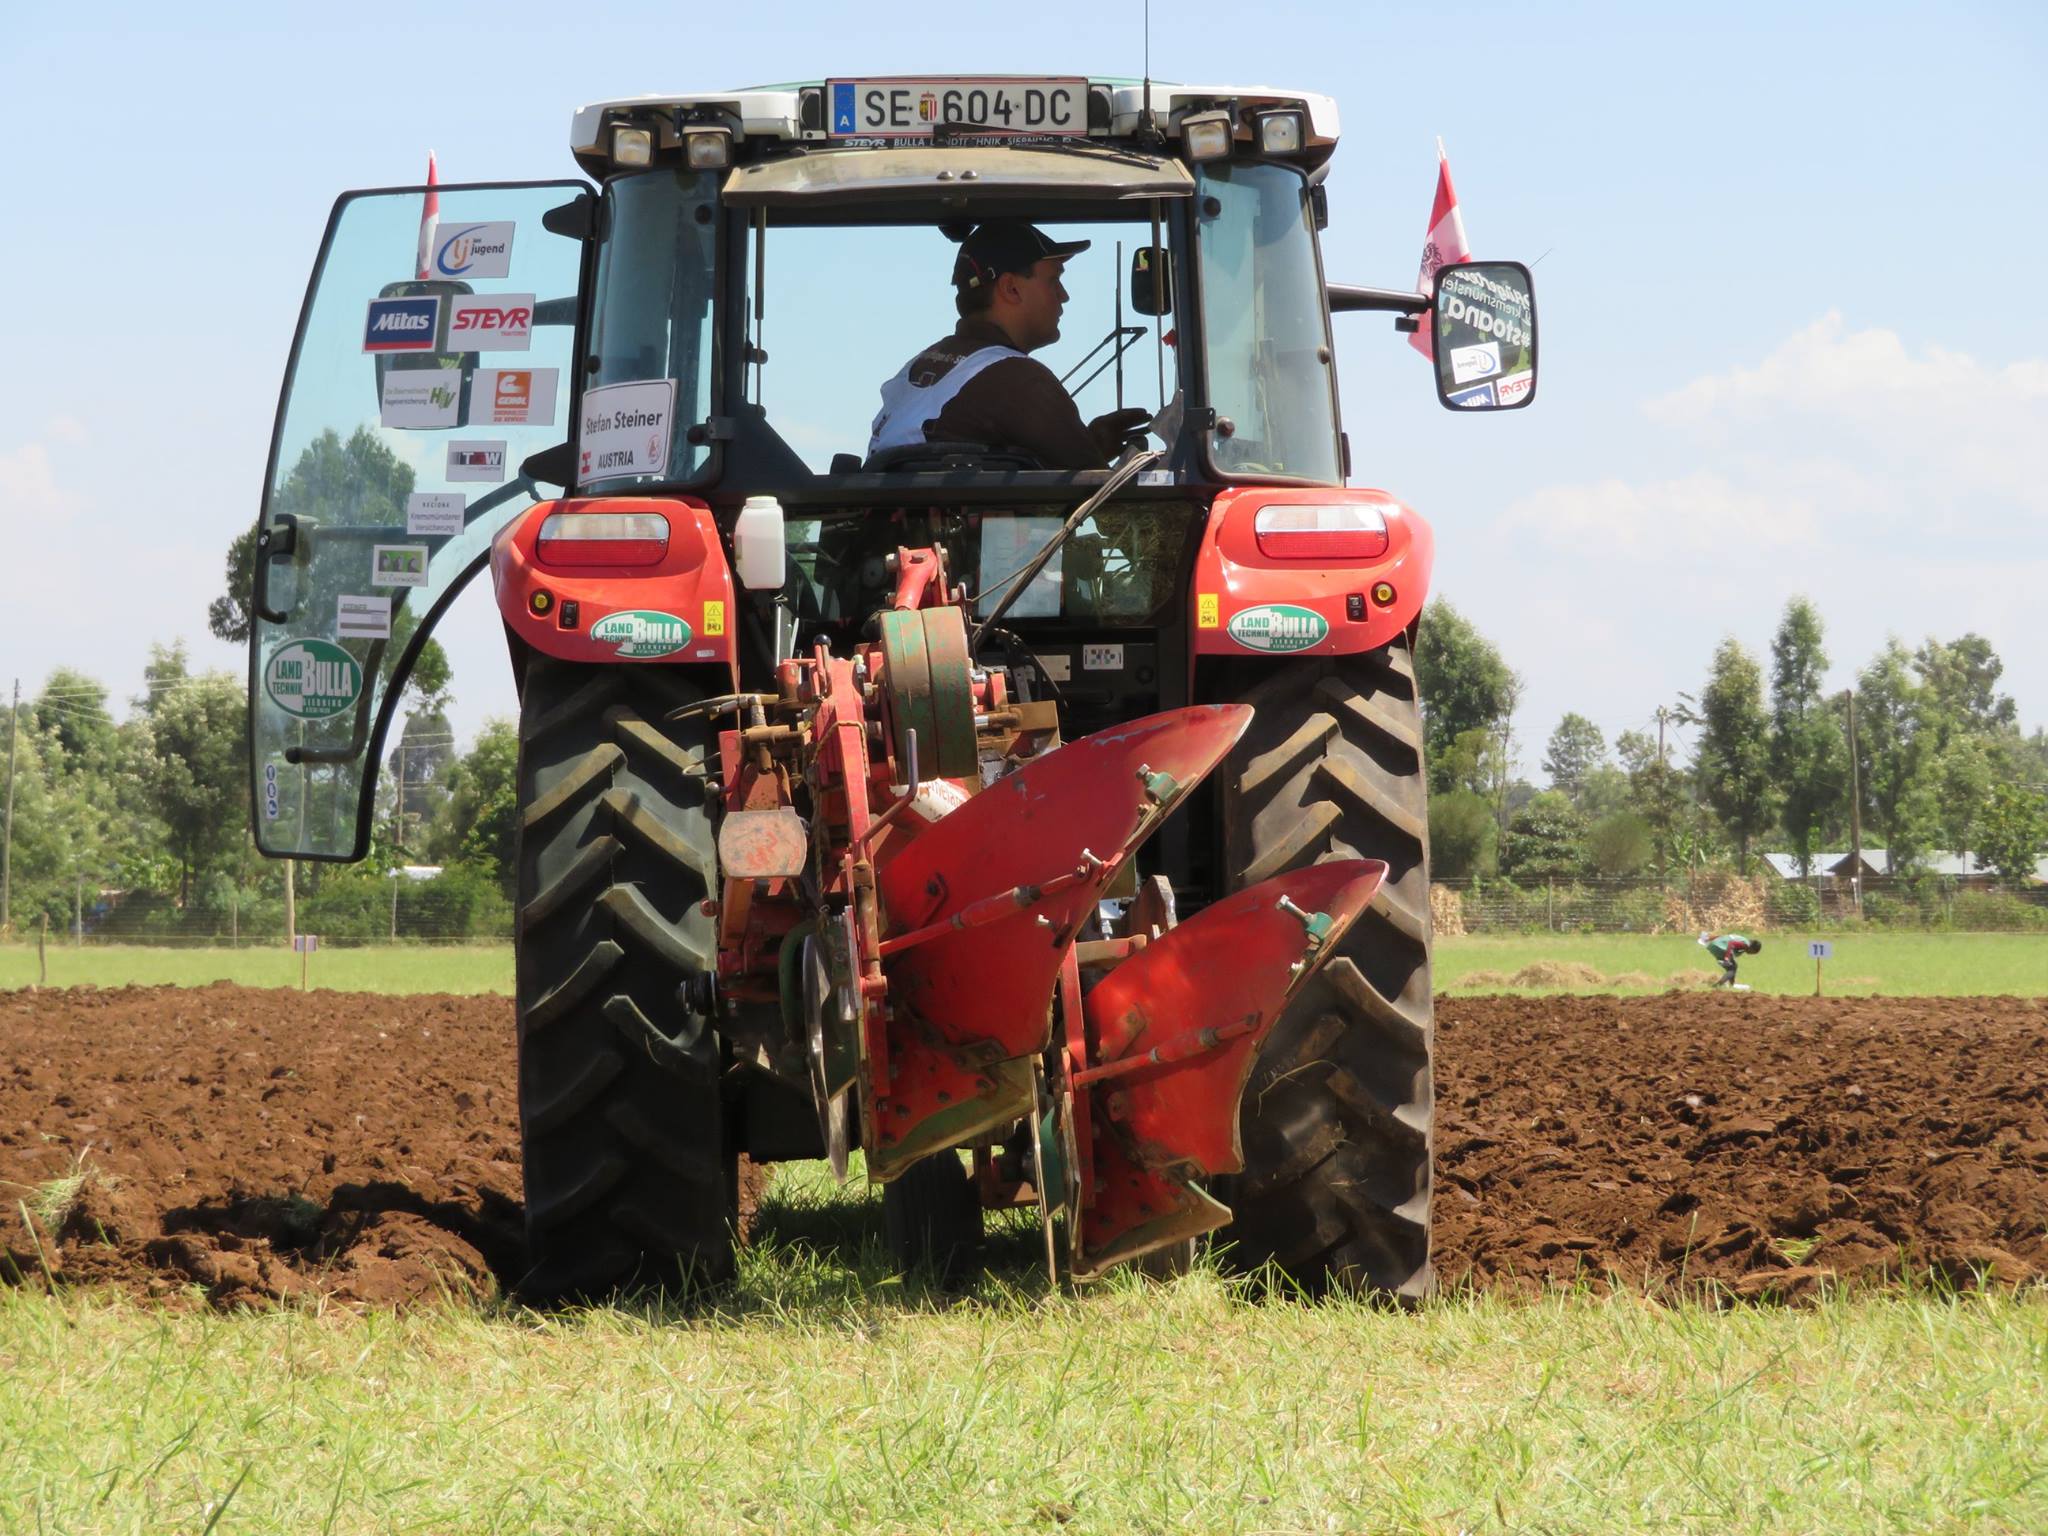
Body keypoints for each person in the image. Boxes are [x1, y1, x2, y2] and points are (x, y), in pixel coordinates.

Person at [867, 220, 1151, 469]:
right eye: (1054, 279)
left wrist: (1091, 444)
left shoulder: (920, 366)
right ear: (1011, 288)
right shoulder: (1019, 379)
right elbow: (1106, 504)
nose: (1063, 295)